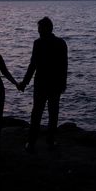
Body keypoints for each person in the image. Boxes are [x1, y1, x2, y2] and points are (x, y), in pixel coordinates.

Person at [18, 16, 68, 152]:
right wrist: (63, 83)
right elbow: (64, 66)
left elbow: (33, 65)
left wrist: (24, 82)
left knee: (37, 113)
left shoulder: (38, 43)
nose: (38, 32)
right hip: (54, 84)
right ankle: (49, 141)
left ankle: (32, 141)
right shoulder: (60, 43)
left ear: (47, 28)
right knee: (52, 112)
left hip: (42, 83)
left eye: (40, 29)